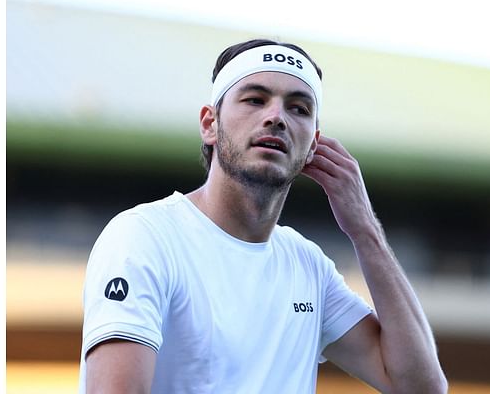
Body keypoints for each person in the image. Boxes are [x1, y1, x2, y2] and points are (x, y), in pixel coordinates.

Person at [78, 38, 448, 393]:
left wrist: (366, 230)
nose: (276, 117)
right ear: (210, 124)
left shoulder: (309, 267)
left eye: (298, 108)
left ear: (313, 145)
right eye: (255, 100)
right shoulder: (144, 237)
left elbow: (420, 386)